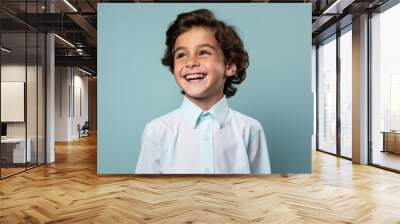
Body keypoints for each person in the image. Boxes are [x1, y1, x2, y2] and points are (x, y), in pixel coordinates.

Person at [135, 9, 271, 174]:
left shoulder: (250, 129)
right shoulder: (156, 131)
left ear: (229, 65)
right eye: (181, 55)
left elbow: (260, 188)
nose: (191, 62)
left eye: (204, 52)